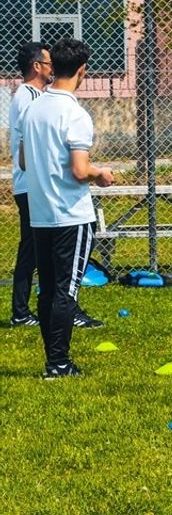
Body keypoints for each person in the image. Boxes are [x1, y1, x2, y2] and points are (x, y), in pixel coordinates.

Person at [19, 38, 115, 378]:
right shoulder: (75, 114)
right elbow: (78, 170)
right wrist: (100, 174)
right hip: (71, 216)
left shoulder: (34, 108)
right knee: (65, 290)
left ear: (52, 66)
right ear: (82, 71)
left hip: (41, 214)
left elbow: (23, 161)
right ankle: (58, 364)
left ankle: (54, 360)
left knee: (48, 288)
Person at [9, 42, 51, 327]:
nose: (53, 69)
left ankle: (41, 306)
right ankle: (21, 312)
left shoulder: (37, 94)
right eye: (48, 63)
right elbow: (29, 144)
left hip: (38, 184)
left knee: (41, 249)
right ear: (36, 66)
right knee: (32, 250)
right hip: (29, 186)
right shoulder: (27, 96)